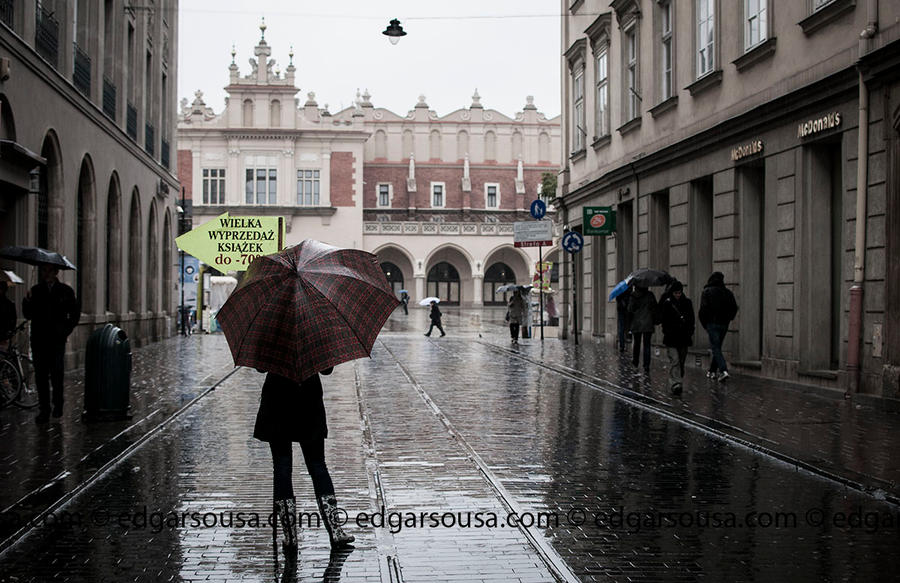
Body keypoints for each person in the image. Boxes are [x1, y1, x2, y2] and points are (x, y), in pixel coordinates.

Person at [254, 367, 354, 555]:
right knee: (317, 465)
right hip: (308, 399)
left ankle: (290, 536)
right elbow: (327, 369)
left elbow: (260, 367)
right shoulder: (315, 336)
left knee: (282, 468)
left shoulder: (272, 336)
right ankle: (335, 531)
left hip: (277, 399)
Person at [22, 265, 80, 423]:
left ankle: (58, 404)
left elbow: (74, 314)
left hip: (56, 340)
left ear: (56, 272)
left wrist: (64, 331)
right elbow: (28, 314)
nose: (46, 274)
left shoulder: (65, 291)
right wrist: (26, 301)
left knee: (57, 374)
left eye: (49, 271)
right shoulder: (35, 290)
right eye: (44, 271)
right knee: (41, 376)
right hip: (39, 339)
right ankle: (44, 409)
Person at [699, 271, 739, 382]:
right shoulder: (728, 293)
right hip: (724, 325)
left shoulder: (707, 292)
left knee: (715, 348)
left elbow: (703, 310)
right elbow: (734, 308)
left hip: (712, 324)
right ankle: (711, 371)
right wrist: (728, 319)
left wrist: (705, 324)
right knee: (717, 348)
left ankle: (723, 370)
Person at [659, 281, 695, 394]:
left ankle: (678, 379)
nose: (678, 295)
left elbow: (691, 319)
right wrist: (666, 331)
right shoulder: (667, 303)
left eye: (679, 292)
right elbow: (663, 320)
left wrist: (690, 331)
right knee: (675, 360)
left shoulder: (687, 303)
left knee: (681, 361)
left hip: (684, 337)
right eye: (676, 293)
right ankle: (675, 383)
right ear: (672, 292)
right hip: (671, 337)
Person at [627, 285, 657, 373]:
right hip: (648, 322)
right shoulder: (650, 295)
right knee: (647, 344)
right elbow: (654, 307)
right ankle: (646, 365)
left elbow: (630, 309)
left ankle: (635, 363)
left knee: (637, 343)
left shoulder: (633, 295)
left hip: (637, 323)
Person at [615, 286, 633, 353]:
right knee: (627, 327)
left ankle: (622, 346)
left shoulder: (619, 293)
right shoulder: (629, 292)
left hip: (621, 311)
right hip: (626, 311)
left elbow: (618, 301)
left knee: (621, 328)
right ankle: (627, 340)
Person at [0, 281, 16, 351]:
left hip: (4, 335)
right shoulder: (10, 304)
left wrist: (9, 332)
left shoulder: (9, 304)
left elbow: (13, 320)